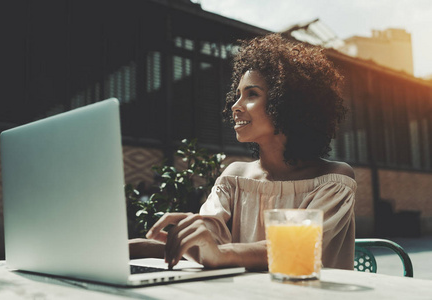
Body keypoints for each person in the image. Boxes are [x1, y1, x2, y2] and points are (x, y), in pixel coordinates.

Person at [129, 33, 356, 271]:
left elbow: (298, 247)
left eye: (252, 94)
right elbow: (208, 246)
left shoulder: (334, 180)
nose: (235, 106)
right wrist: (140, 247)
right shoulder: (234, 177)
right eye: (237, 95)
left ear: (288, 103)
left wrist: (217, 252)